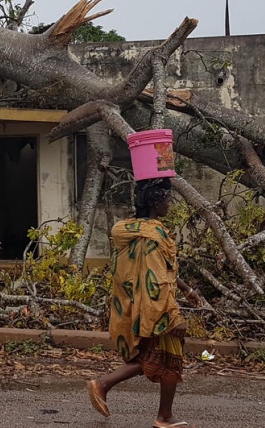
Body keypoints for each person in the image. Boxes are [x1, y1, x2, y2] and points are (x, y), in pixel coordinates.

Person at [86, 177, 203, 428]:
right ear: (155, 202)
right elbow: (157, 279)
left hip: (138, 305)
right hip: (156, 308)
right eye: (167, 200)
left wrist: (186, 290)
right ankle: (164, 417)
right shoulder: (153, 235)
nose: (169, 206)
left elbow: (162, 269)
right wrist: (173, 315)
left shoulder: (135, 230)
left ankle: (104, 385)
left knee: (150, 359)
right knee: (170, 359)